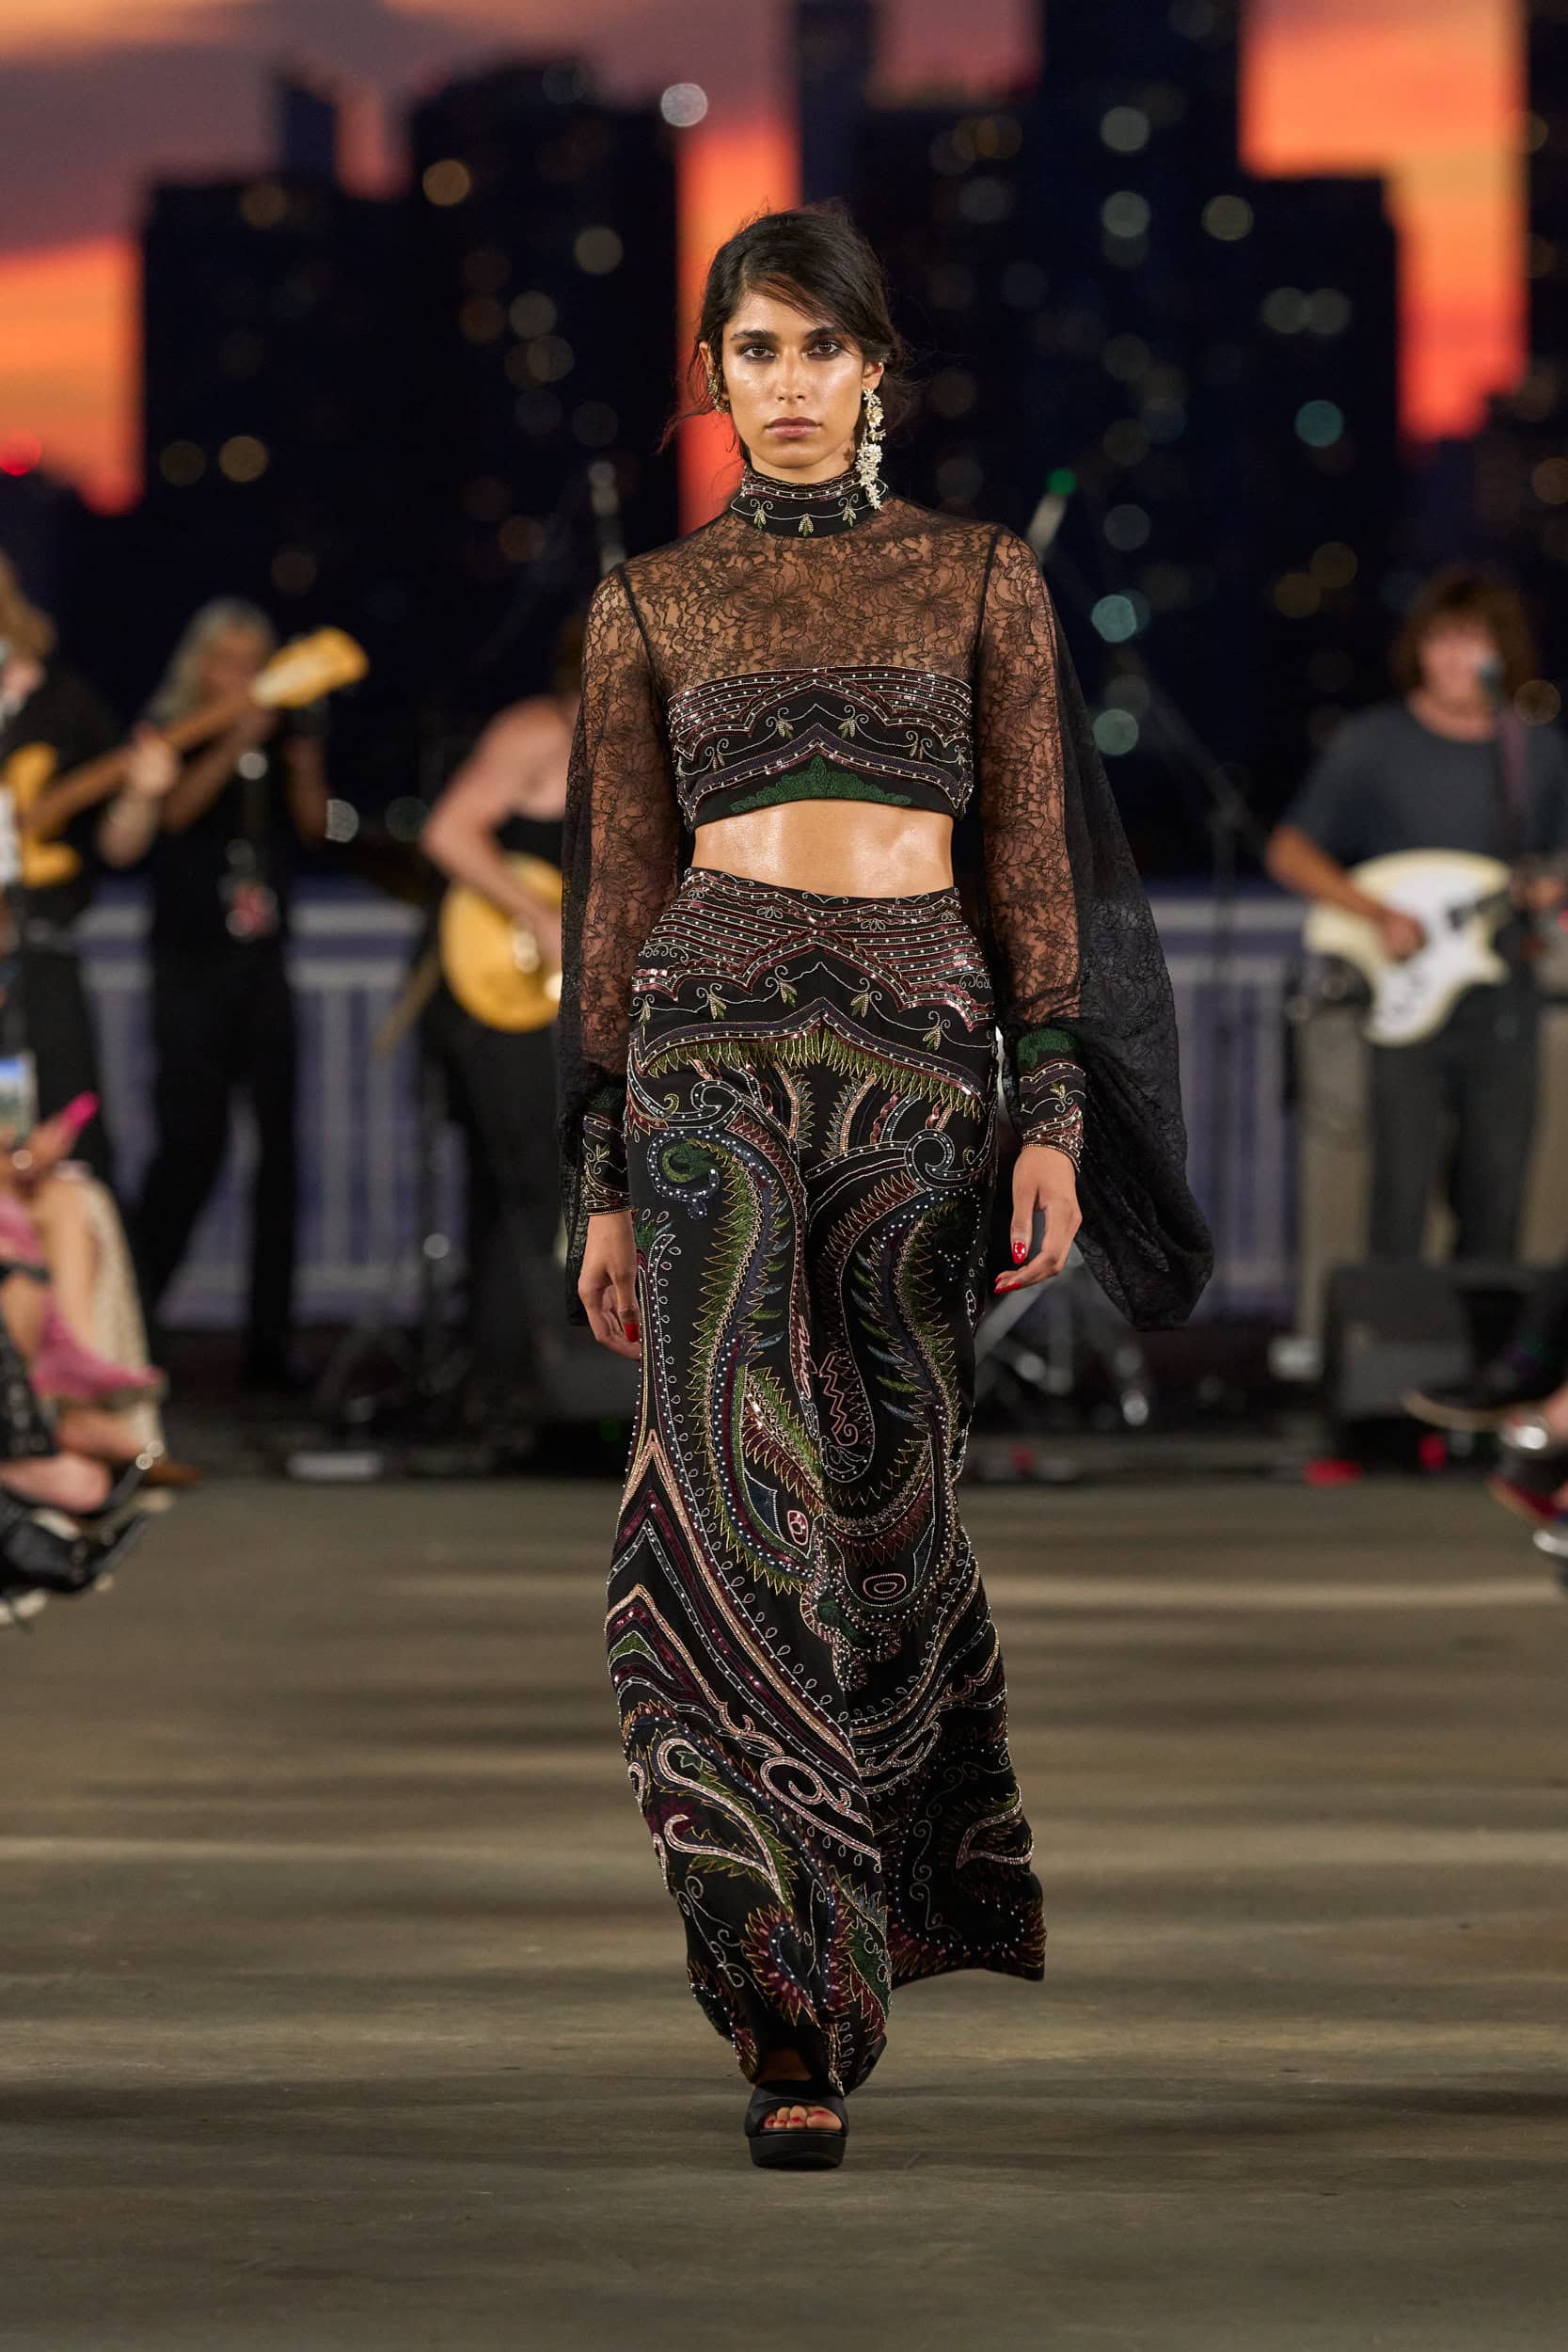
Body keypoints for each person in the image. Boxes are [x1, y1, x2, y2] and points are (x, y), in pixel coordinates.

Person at [556, 205, 1211, 2169]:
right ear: (710, 372)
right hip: (704, 1059)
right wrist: (599, 1178)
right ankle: (787, 2004)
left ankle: (876, 1920)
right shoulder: (645, 604)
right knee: (710, 1506)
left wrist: (1052, 1117)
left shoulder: (978, 577)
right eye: (749, 348)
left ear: (872, 368)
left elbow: (1034, 872)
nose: (782, 382)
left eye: (815, 346)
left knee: (878, 1504)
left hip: (922, 1070)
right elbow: (613, 902)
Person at [1266, 565, 1568, 1263]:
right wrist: (1375, 913)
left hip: (1505, 998)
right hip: (1403, 998)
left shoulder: (1536, 752)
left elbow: (1554, 869)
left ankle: (1484, 1331)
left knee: (1496, 1196)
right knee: (1399, 1196)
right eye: (1441, 639)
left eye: (1473, 640)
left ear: (1502, 651)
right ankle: (1389, 1329)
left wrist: (1548, 892)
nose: (1456, 658)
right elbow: (1289, 850)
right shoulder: (1374, 742)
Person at [119, 601, 327, 1391]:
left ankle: (269, 1346)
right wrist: (232, 738)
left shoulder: (282, 734)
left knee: (281, 1154)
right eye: (228, 659)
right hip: (188, 965)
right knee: (190, 1144)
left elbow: (313, 826)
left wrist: (299, 750)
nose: (243, 675)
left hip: (263, 964)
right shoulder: (170, 732)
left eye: (255, 659)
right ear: (201, 666)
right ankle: (134, 1319)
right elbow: (170, 816)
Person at [419, 618, 578, 1434]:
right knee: (528, 1182)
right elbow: (448, 830)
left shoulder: (640, 751)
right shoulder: (537, 730)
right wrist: (535, 915)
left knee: (535, 1184)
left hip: (565, 1001)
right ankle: (511, 1384)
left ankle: (513, 1378)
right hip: (501, 992)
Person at [0, 556, 175, 1184]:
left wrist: (143, 796)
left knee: (63, 1155)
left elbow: (118, 845)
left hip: (36, 967)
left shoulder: (61, 703)